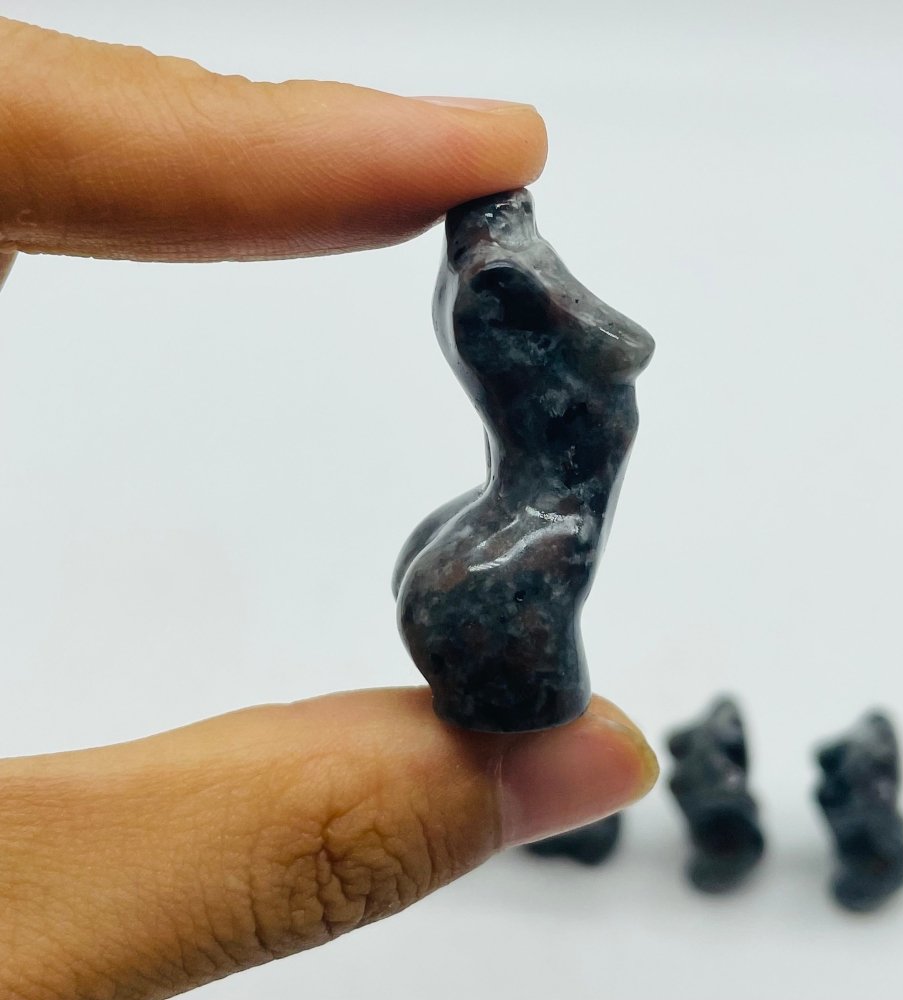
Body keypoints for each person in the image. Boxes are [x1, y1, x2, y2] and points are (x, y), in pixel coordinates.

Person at [0, 16, 659, 999]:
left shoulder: (498, 274)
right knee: (528, 658)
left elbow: (617, 346)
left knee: (524, 601)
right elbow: (626, 348)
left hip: (501, 539)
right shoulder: (505, 283)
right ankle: (529, 709)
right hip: (519, 540)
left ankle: (530, 702)